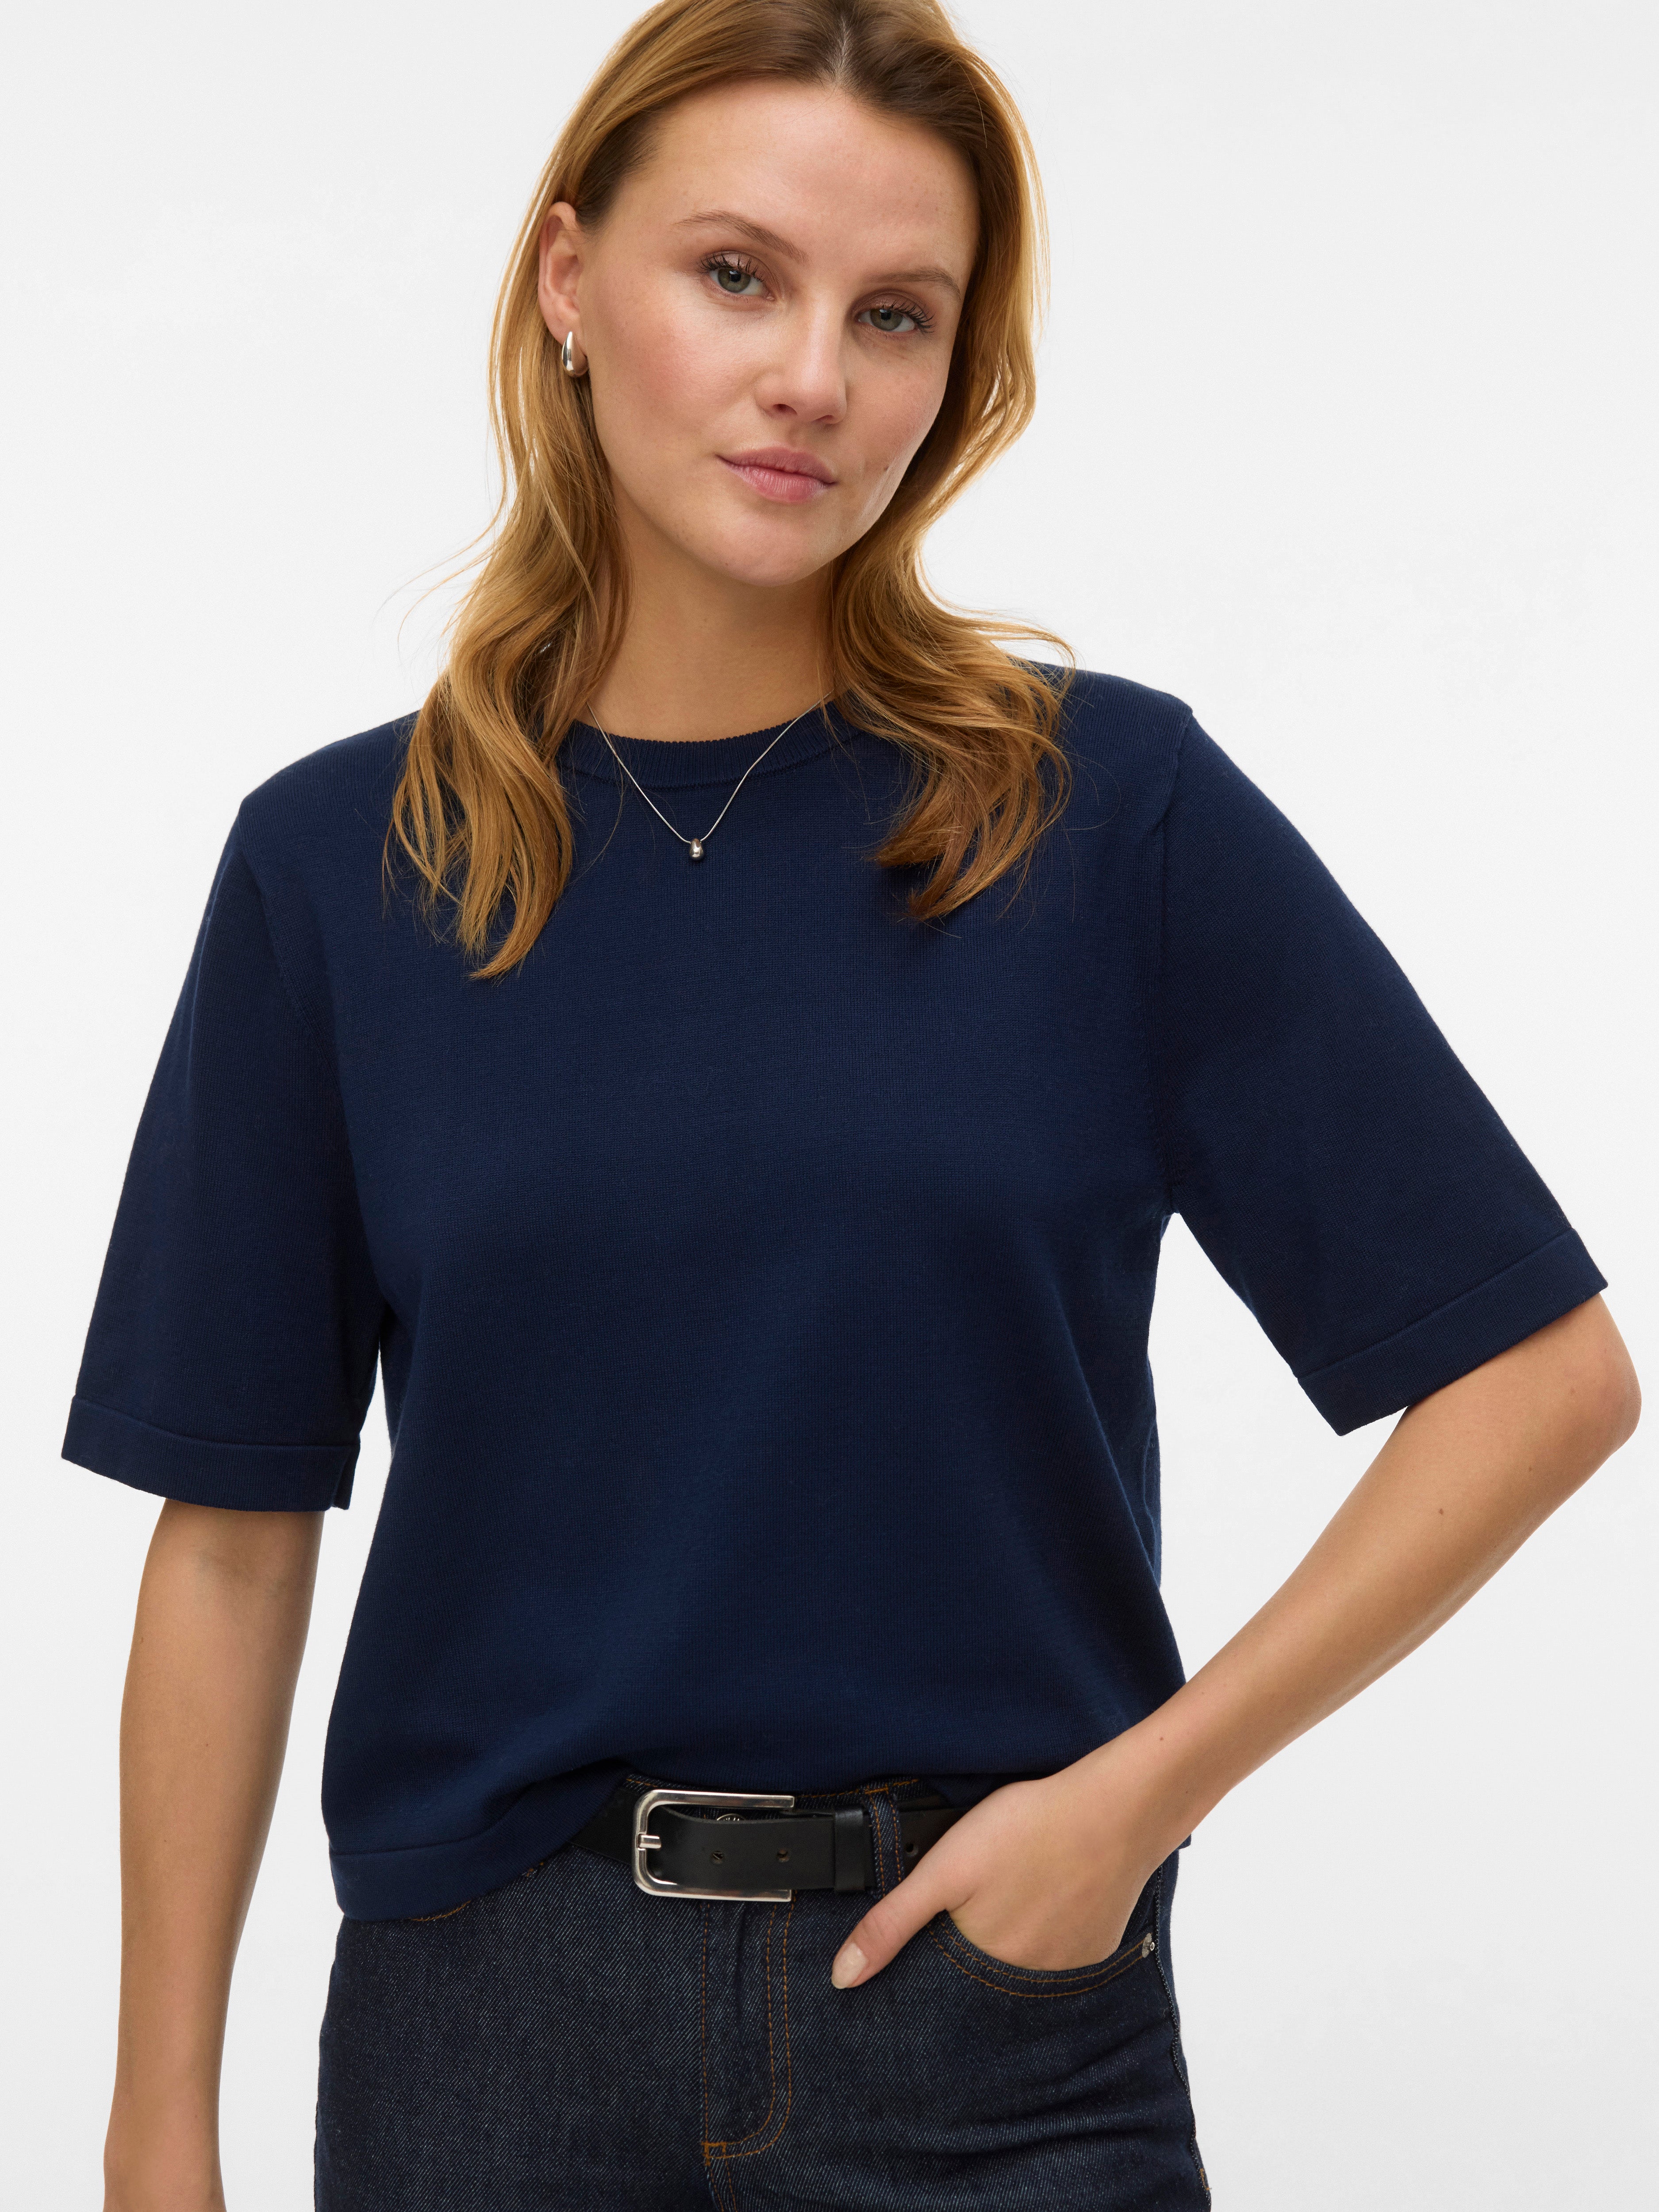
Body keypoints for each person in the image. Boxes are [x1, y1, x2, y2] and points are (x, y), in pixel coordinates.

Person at [66, 3, 1638, 2207]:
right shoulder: (341, 867)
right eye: (737, 275)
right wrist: (155, 2126)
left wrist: (1133, 1801)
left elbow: (1539, 1376)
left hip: (991, 2025)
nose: (811, 375)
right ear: (566, 282)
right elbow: (233, 1542)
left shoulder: (1103, 817)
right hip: (482, 2042)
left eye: (892, 314)